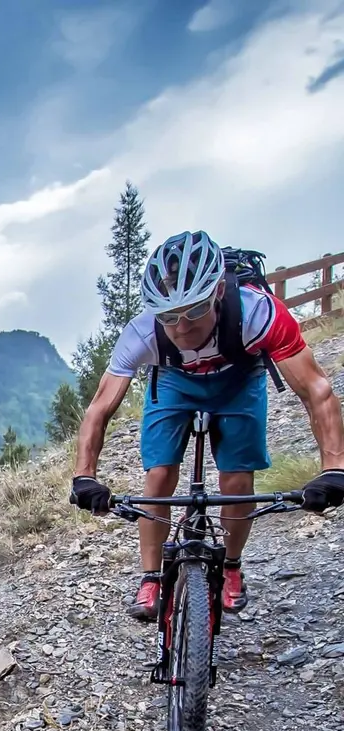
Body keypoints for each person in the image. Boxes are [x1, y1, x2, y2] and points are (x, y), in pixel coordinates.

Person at [70, 230, 344, 620]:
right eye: (168, 316)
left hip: (238, 378)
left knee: (236, 479)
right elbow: (99, 409)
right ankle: (151, 577)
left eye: (194, 311)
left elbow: (316, 390)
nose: (181, 327)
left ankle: (230, 568)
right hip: (174, 383)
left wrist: (334, 469)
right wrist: (84, 476)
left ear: (217, 291)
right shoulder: (141, 333)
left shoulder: (258, 313)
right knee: (160, 474)